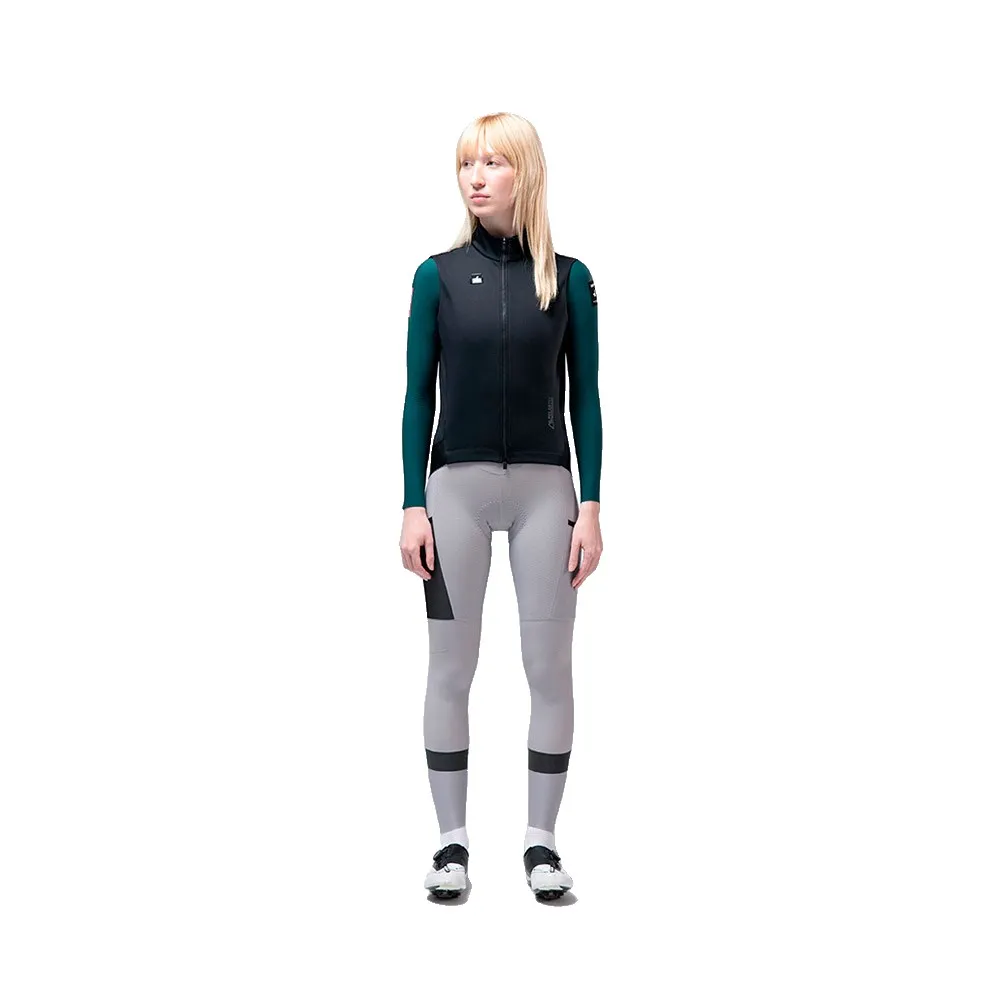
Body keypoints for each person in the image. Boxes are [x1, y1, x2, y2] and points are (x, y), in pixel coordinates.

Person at [399, 112, 603, 901]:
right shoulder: (436, 277)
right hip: (453, 490)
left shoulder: (570, 279)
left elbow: (586, 399)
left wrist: (592, 506)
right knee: (451, 668)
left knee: (549, 668)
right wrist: (411, 504)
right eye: (465, 164)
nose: (475, 177)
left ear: (526, 171)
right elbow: (417, 395)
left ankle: (541, 843)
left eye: (492, 162)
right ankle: (450, 844)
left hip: (546, 492)